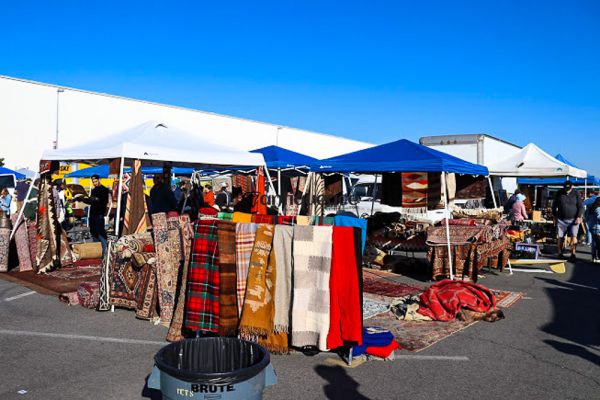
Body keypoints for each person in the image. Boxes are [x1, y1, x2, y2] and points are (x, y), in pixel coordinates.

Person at [78, 174, 109, 255]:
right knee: (93, 232)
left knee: (100, 232)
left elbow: (104, 201)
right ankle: (97, 251)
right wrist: (81, 199)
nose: (94, 183)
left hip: (99, 214)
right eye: (93, 181)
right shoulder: (94, 190)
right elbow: (90, 201)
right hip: (92, 214)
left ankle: (105, 250)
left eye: (95, 181)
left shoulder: (104, 189)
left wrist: (95, 199)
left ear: (99, 180)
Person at [552, 181, 583, 261]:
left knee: (574, 236)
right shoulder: (559, 193)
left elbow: (580, 206)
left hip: (573, 219)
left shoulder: (576, 193)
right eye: (565, 188)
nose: (567, 190)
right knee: (560, 237)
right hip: (561, 219)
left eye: (568, 189)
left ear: (572, 187)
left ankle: (573, 254)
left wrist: (579, 217)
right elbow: (554, 206)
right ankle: (559, 253)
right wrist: (554, 216)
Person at [585, 196, 600, 263]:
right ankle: (597, 257)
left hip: (591, 226)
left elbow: (586, 217)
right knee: (598, 244)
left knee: (594, 244)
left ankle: (594, 257)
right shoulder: (598, 208)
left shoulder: (590, 208)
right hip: (597, 227)